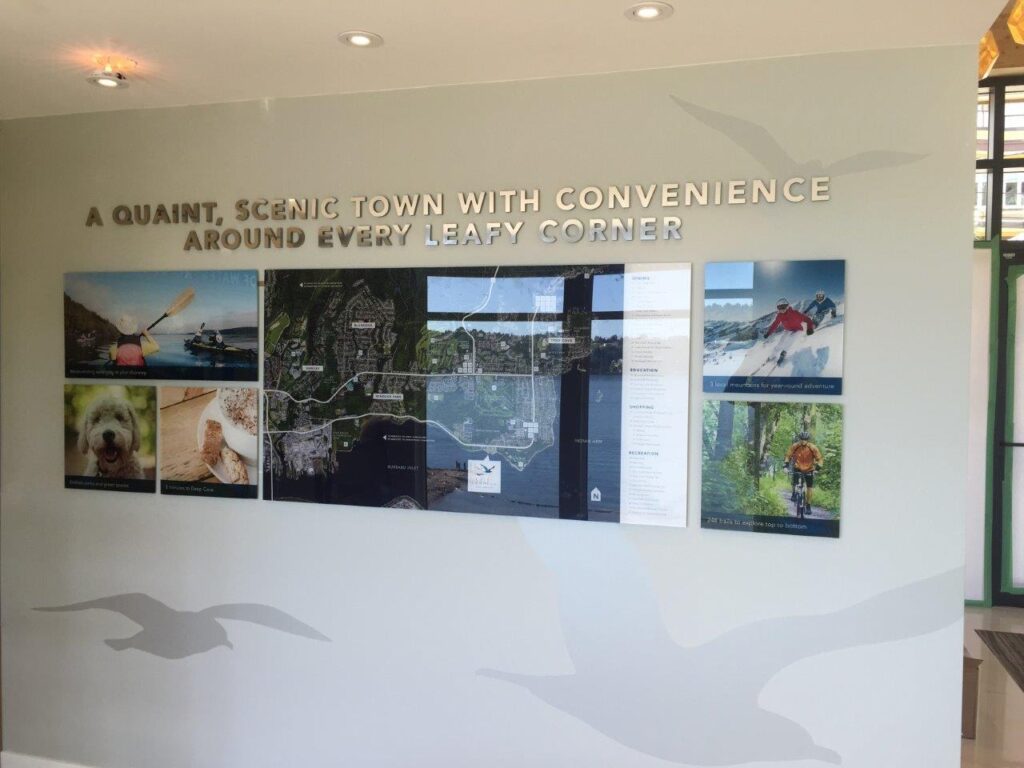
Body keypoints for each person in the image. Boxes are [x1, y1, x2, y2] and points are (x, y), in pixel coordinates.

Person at [784, 430, 823, 508]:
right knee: (795, 482)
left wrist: (817, 469)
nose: (803, 441)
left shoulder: (813, 447)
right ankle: (794, 493)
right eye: (802, 439)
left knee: (809, 487)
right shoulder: (795, 446)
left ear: (807, 440)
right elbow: (788, 456)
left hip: (809, 469)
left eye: (805, 439)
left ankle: (808, 505)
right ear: (800, 439)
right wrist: (785, 467)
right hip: (797, 467)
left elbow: (820, 459)